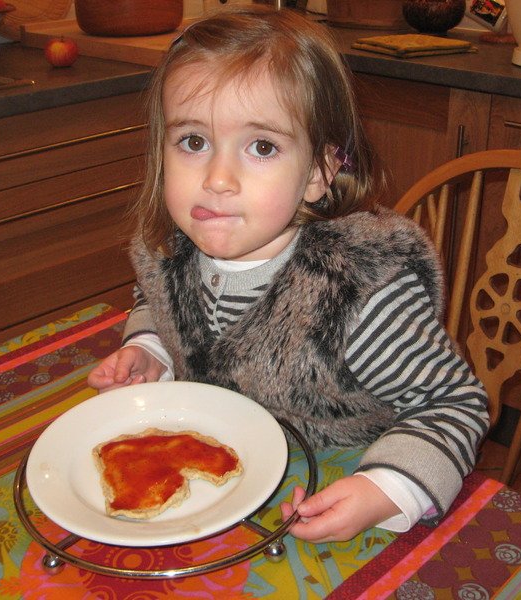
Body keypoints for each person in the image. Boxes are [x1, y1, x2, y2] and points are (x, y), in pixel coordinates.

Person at [87, 6, 489, 543]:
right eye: (193, 142)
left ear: (319, 173)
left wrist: (385, 490)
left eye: (262, 147)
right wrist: (150, 348)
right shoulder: (170, 249)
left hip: (339, 485)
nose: (217, 178)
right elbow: (155, 301)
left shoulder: (358, 294)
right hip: (217, 483)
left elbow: (455, 402)